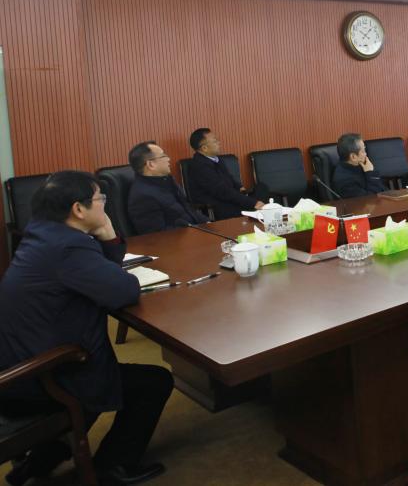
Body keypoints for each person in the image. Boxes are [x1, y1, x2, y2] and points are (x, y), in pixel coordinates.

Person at [0, 171, 172, 486]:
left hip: (20, 362)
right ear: (78, 209)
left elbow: (104, 271)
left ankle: (37, 464)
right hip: (40, 377)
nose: (105, 204)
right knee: (154, 382)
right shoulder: (68, 248)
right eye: (100, 199)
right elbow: (123, 290)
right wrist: (108, 233)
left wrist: (107, 235)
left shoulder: (43, 235)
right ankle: (113, 468)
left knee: (108, 382)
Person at [127, 141, 208, 234]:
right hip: (180, 239)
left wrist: (208, 223)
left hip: (196, 231)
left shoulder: (167, 180)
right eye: (163, 156)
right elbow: (158, 234)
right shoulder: (142, 197)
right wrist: (193, 232)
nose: (168, 159)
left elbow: (188, 209)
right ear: (151, 164)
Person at [186, 128, 266, 220]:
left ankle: (260, 210)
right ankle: (258, 211)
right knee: (257, 205)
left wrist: (239, 187)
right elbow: (222, 191)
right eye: (215, 141)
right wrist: (252, 203)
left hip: (230, 197)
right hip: (219, 205)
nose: (219, 143)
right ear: (204, 148)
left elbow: (229, 177)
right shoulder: (198, 166)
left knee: (261, 188)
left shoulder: (216, 159)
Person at [332, 132, 386, 198]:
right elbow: (370, 199)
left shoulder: (360, 165)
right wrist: (371, 174)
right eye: (363, 151)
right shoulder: (345, 181)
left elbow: (382, 189)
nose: (366, 154)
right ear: (353, 157)